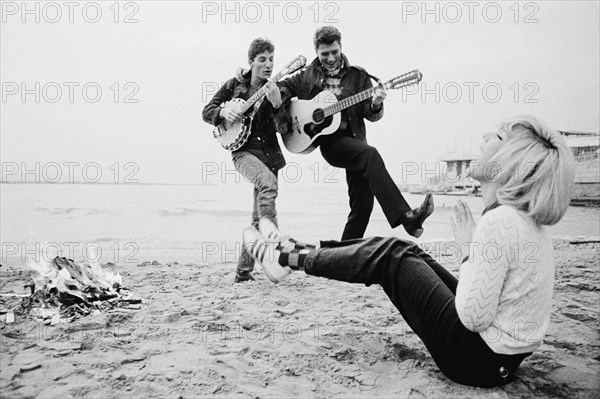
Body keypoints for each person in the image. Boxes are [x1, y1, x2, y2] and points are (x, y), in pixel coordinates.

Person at [242, 115, 576, 387]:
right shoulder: (523, 222)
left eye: (498, 137)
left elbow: (475, 316)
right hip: (500, 361)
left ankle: (285, 258)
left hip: (474, 360)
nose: (486, 134)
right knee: (405, 249)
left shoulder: (501, 221)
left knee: (392, 256)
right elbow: (491, 305)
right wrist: (474, 253)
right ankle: (298, 251)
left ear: (509, 162)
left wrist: (466, 251)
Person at [276, 26, 434, 239]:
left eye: (334, 52)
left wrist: (376, 103)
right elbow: (280, 89)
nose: (331, 58)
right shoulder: (307, 77)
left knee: (362, 207)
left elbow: (371, 114)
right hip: (332, 144)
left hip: (356, 141)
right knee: (371, 154)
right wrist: (291, 119)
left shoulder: (358, 76)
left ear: (340, 47)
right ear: (316, 52)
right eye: (325, 54)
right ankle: (406, 217)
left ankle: (342, 258)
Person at [202, 38, 285, 283]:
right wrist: (222, 112)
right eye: (262, 60)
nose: (268, 64)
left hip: (269, 155)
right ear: (251, 62)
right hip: (243, 154)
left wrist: (278, 105)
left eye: (271, 59)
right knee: (268, 184)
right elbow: (207, 111)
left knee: (257, 218)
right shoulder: (234, 85)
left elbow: (285, 127)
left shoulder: (276, 87)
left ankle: (242, 273)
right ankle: (272, 246)